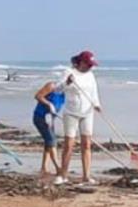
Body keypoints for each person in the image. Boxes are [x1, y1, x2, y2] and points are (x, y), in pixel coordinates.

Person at [57, 51, 101, 185]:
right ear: (81, 62)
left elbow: (94, 92)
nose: (90, 67)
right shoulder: (68, 72)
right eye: (88, 64)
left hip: (87, 113)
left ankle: (86, 176)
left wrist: (97, 104)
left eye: (91, 65)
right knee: (69, 144)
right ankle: (63, 175)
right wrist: (67, 83)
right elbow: (58, 89)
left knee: (86, 144)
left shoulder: (90, 75)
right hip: (71, 112)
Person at [33, 79, 66, 178]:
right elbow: (38, 96)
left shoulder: (64, 92)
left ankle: (44, 168)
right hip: (41, 117)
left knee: (48, 143)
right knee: (52, 141)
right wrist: (49, 104)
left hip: (50, 119)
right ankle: (58, 168)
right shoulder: (51, 86)